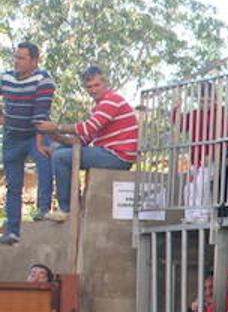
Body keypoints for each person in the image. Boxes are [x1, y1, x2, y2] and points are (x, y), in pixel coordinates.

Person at [36, 66, 139, 222]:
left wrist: (56, 126)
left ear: (105, 84)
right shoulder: (98, 108)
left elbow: (88, 127)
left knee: (61, 157)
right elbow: (82, 140)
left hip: (117, 156)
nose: (93, 90)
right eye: (89, 87)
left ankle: (68, 209)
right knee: (58, 150)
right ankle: (70, 204)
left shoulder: (112, 101)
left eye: (96, 85)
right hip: (105, 151)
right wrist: (54, 136)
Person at [1, 42, 55, 245]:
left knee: (45, 166)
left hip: (35, 135)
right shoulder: (6, 77)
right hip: (12, 137)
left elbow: (41, 113)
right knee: (13, 185)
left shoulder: (43, 79)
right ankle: (13, 230)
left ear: (34, 61)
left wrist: (41, 144)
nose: (17, 61)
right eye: (16, 57)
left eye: (22, 58)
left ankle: (43, 210)